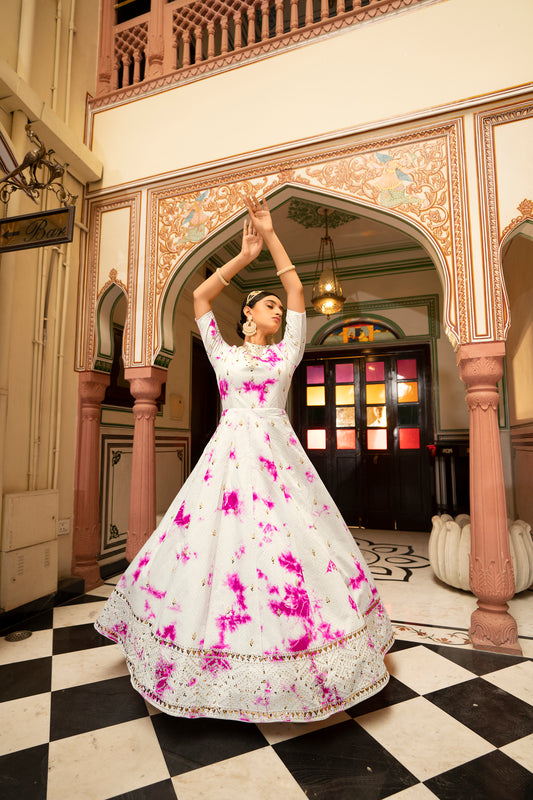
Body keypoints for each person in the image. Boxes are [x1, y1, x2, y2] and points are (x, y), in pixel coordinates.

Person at [95, 196, 393, 723]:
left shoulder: (288, 353)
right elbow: (200, 296)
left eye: (280, 308)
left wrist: (273, 238)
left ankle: (296, 658)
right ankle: (201, 654)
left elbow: (299, 290)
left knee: (288, 549)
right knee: (212, 548)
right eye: (269, 305)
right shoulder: (224, 354)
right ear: (248, 316)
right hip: (227, 460)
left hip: (277, 460)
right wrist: (242, 252)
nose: (279, 309)